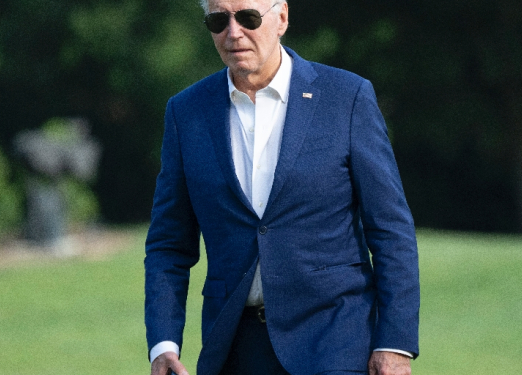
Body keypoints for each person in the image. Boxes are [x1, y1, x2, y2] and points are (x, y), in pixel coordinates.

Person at [144, 0, 419, 374]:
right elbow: (168, 244)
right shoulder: (186, 112)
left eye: (248, 17)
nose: (234, 31)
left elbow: (390, 229)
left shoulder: (347, 98)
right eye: (218, 20)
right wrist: (163, 344)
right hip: (234, 348)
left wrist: (395, 343)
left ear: (282, 18)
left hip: (336, 343)